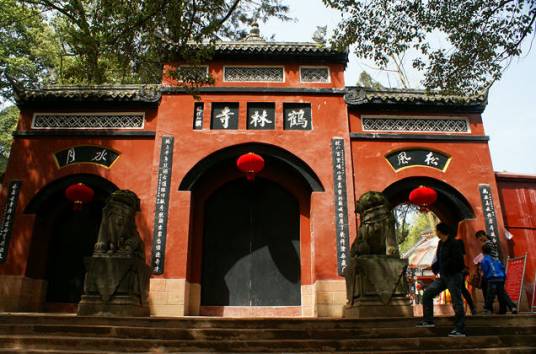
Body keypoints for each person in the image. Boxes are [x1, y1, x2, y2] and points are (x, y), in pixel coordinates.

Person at [417, 223, 466, 337]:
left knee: (456, 301)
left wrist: (449, 268)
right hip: (443, 276)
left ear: (440, 231)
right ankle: (428, 320)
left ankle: (460, 328)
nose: (436, 233)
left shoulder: (455, 243)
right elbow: (438, 259)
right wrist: (435, 268)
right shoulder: (440, 243)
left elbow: (459, 261)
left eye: (437, 230)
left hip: (454, 276)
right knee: (428, 293)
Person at [480, 243, 518, 314]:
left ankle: (487, 309)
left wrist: (485, 278)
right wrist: (504, 276)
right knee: (503, 294)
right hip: (500, 278)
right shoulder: (496, 259)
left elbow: (485, 270)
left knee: (490, 294)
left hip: (492, 279)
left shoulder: (484, 260)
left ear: (482, 251)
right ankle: (512, 307)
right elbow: (502, 267)